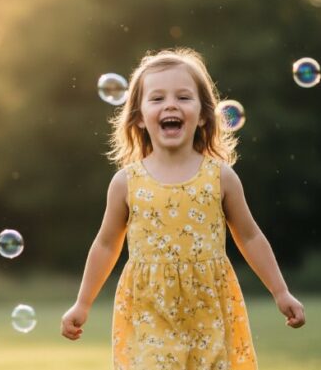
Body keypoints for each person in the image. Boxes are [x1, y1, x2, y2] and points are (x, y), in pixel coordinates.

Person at [60, 48, 305, 369]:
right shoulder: (126, 182)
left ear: (204, 115)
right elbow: (106, 244)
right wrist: (83, 302)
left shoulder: (221, 177)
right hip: (150, 307)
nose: (170, 105)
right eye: (157, 98)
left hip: (208, 307)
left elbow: (250, 237)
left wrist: (281, 292)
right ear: (138, 116)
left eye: (183, 97)